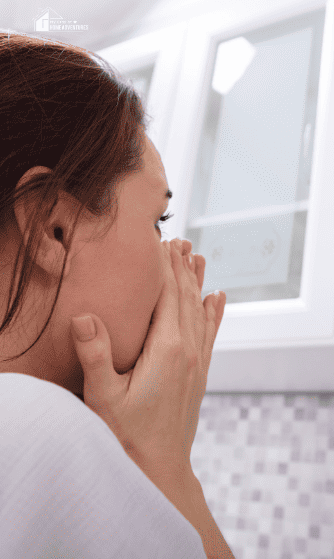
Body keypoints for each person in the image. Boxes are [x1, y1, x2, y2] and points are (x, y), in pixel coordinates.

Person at [0, 30, 234, 558]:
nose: (177, 259)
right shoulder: (36, 429)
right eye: (158, 221)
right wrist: (163, 464)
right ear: (52, 228)